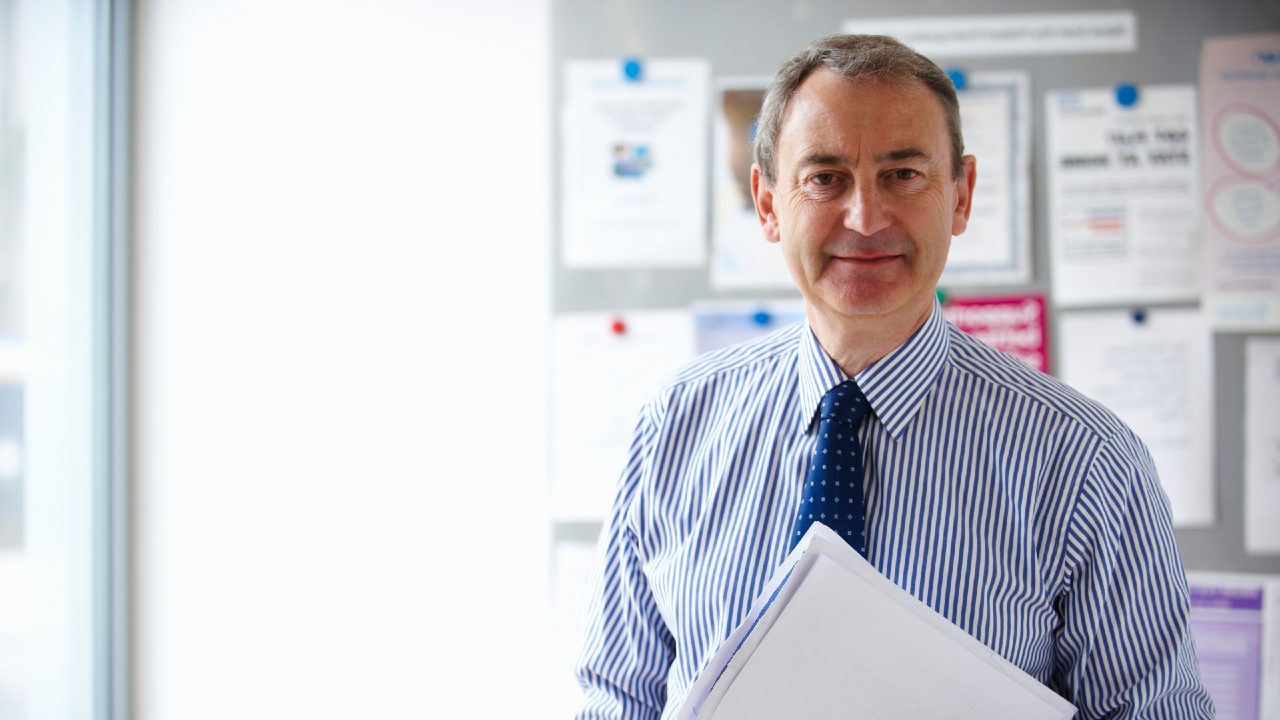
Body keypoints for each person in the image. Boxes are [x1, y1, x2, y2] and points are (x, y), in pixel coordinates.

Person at [574, 34, 1213, 719]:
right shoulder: (675, 427)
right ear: (766, 204)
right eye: (825, 177)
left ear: (961, 195)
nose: (866, 218)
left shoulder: (1087, 463)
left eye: (903, 175)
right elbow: (615, 701)